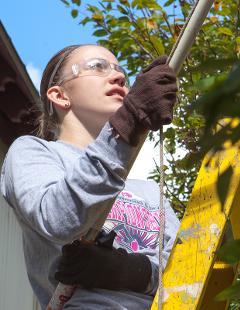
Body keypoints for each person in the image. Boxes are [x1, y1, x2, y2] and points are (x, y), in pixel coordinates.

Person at [0, 44, 180, 309]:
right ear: (59, 95)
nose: (118, 77)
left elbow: (186, 264)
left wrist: (134, 271)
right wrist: (126, 125)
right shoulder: (31, 153)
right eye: (98, 66)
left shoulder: (151, 191)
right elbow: (58, 218)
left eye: (121, 72)